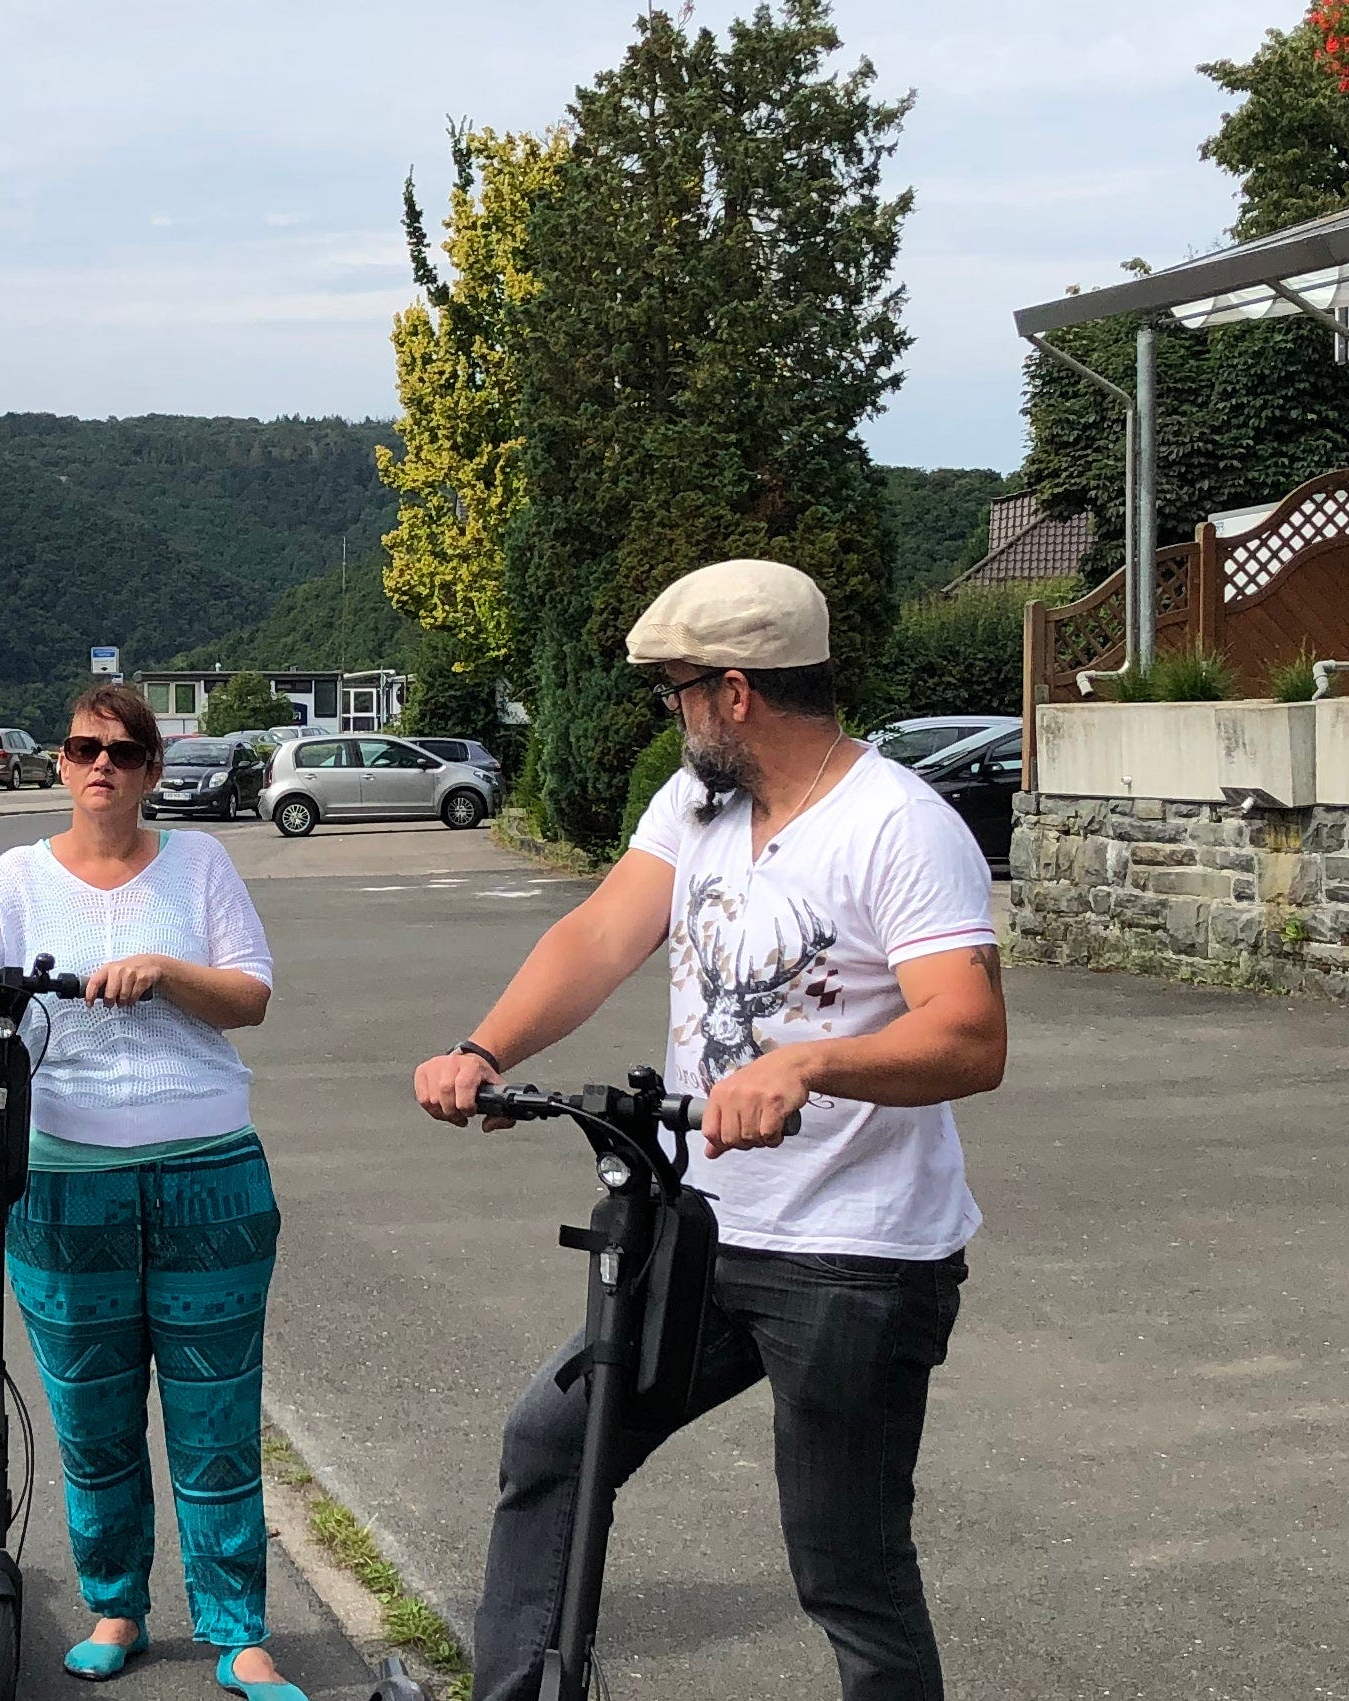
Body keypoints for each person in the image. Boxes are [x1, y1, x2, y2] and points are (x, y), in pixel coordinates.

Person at [412, 558, 1008, 1701]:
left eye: (677, 690)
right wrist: (485, 1053)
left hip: (856, 1258)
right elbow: (598, 939)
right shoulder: (695, 807)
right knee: (555, 1446)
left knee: (848, 1567)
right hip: (702, 1233)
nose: (672, 713)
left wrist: (813, 1061)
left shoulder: (896, 825)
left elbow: (972, 1038)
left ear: (734, 692)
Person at [0, 683, 304, 1700]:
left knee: (214, 1418)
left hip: (208, 1178)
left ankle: (239, 1633)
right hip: (62, 1186)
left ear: (152, 772)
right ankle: (118, 1608)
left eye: (124, 751)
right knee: (93, 1422)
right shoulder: (20, 876)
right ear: (59, 766)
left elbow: (253, 996)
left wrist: (163, 971)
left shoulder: (202, 863)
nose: (102, 765)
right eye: (82, 748)